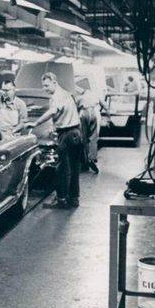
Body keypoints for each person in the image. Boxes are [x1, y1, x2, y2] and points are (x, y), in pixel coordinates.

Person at [22, 72, 82, 209]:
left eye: (47, 85)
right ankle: (74, 198)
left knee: (62, 169)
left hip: (66, 135)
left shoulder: (56, 96)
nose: (45, 89)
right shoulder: (67, 94)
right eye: (43, 86)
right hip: (76, 133)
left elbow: (53, 112)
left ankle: (61, 200)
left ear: (55, 82)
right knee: (74, 168)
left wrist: (35, 123)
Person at [76, 86, 108, 174]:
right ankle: (92, 158)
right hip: (94, 113)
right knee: (93, 138)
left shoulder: (80, 97)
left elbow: (75, 109)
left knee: (84, 138)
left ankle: (85, 161)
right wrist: (108, 117)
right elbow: (105, 106)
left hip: (84, 113)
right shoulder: (96, 95)